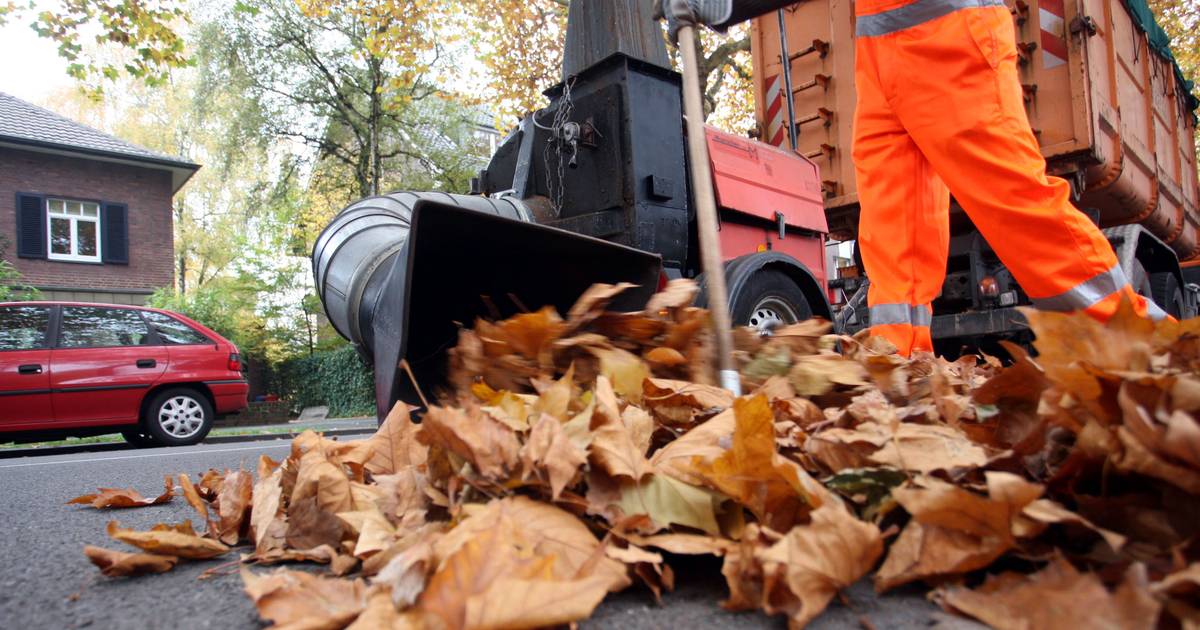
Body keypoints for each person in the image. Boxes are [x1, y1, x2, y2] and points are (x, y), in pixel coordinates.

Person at [659, 0, 1165, 356]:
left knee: (1015, 204)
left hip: (951, 38)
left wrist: (729, 5)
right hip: (882, 61)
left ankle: (1147, 347)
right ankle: (900, 368)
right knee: (894, 233)